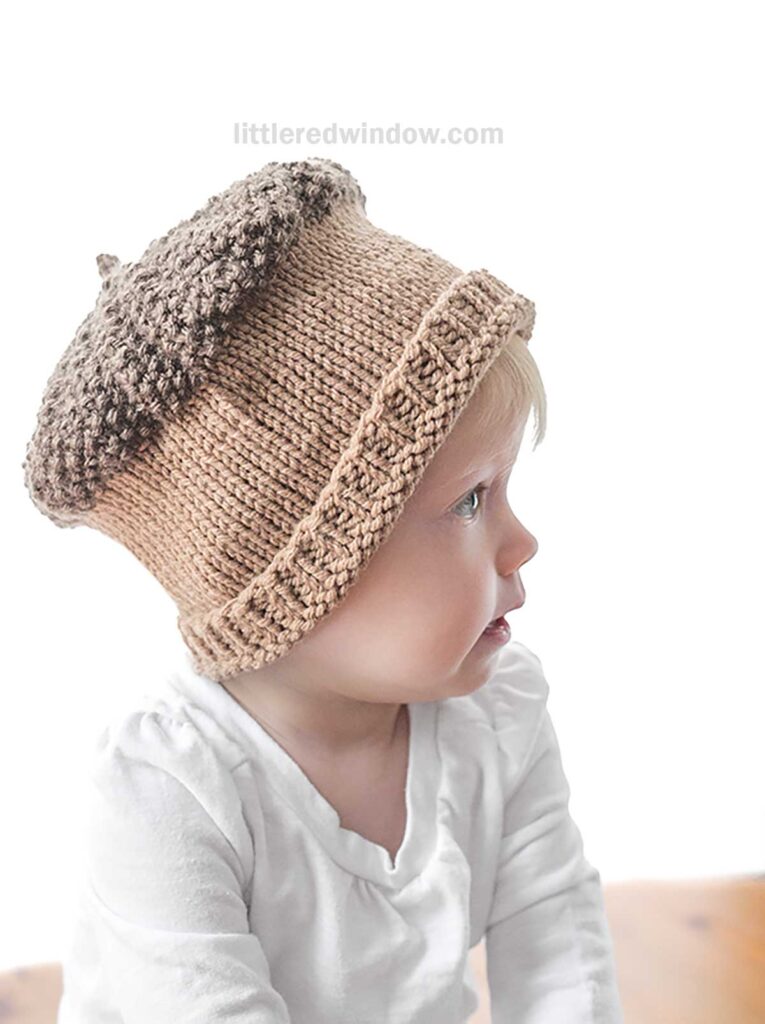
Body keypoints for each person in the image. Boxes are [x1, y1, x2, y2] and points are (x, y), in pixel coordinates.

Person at [22, 157, 624, 1022]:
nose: (522, 541)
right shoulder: (168, 786)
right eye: (468, 500)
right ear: (303, 577)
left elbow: (561, 956)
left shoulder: (500, 711)